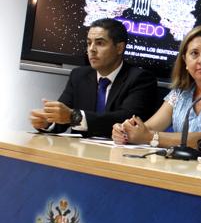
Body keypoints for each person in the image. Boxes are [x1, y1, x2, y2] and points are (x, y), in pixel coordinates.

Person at [29, 18, 159, 137]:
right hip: (78, 153)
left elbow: (126, 119)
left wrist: (75, 117)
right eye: (89, 43)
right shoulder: (78, 76)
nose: (91, 49)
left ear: (119, 48)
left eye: (100, 43)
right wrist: (46, 122)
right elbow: (62, 119)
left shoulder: (141, 79)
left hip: (118, 154)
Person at [111, 24, 201, 148]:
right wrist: (125, 130)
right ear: (185, 61)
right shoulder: (180, 93)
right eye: (194, 53)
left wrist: (149, 137)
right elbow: (147, 128)